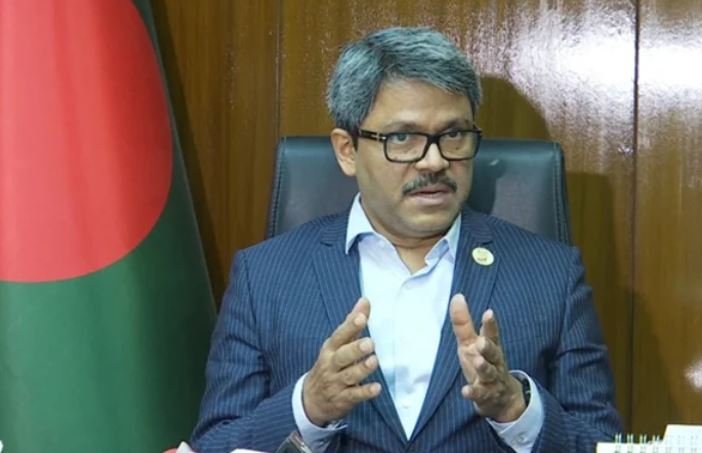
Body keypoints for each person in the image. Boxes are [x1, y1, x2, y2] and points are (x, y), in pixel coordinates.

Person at [191, 26, 621, 452]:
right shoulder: (264, 276)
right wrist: (308, 407)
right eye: (402, 138)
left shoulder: (551, 275)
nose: (434, 161)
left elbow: (602, 443)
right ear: (347, 150)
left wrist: (517, 409)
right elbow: (213, 445)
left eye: (453, 135)